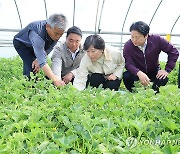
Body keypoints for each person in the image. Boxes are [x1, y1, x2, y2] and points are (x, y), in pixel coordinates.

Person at [123, 21, 179, 93]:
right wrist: (138, 73)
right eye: (132, 37)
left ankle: (154, 94)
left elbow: (173, 52)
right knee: (126, 76)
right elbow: (128, 63)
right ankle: (134, 94)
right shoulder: (128, 45)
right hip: (137, 72)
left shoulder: (157, 40)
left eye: (137, 37)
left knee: (163, 78)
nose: (134, 40)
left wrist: (167, 70)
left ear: (146, 36)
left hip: (153, 70)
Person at [13, 13, 68, 86]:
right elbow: (42, 61)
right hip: (22, 44)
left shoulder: (55, 32)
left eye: (61, 35)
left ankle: (32, 83)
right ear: (48, 26)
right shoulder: (37, 33)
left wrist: (38, 59)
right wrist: (55, 79)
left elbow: (49, 48)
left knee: (35, 64)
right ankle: (28, 88)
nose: (58, 37)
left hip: (34, 45)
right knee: (31, 66)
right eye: (56, 33)